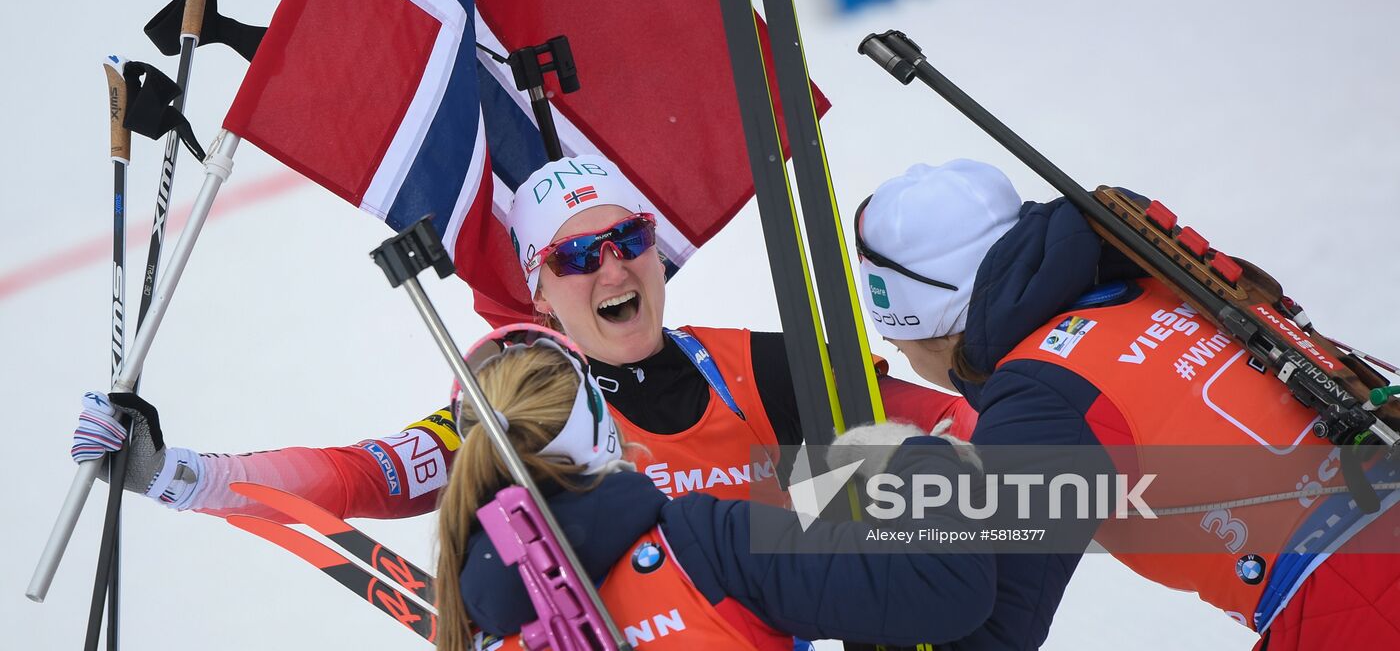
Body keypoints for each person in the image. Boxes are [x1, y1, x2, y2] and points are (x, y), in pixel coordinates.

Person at [72, 152, 973, 520]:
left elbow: (968, 442)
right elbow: (366, 475)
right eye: (578, 256)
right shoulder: (522, 406)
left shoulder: (755, 366)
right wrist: (174, 472)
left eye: (629, 239)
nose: (614, 269)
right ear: (538, 292)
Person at [850, 158, 1400, 650]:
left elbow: (984, 627)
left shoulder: (1045, 396)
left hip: (1357, 607)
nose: (902, 359)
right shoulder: (1149, 279)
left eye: (898, 348)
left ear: (933, 332)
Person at [434, 324, 994, 651]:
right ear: (600, 425)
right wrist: (916, 459)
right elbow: (945, 584)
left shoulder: (472, 625)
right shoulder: (702, 541)